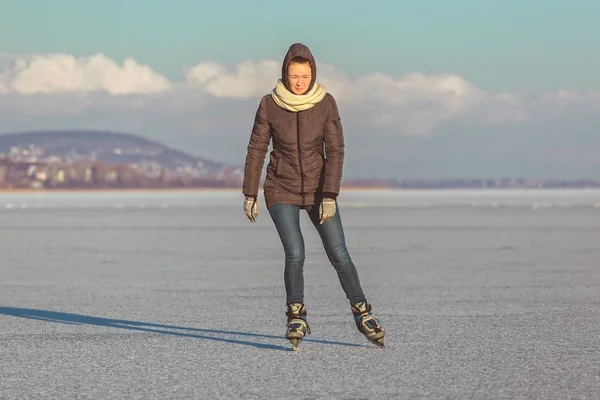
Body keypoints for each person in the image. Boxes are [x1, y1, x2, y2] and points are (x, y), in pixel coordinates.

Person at [241, 42, 385, 350]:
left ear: (312, 74)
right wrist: (250, 192)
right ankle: (296, 314)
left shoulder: (325, 103)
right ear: (285, 74)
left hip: (320, 190)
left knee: (339, 253)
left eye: (304, 75)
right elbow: (256, 148)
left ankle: (362, 312)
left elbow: (335, 150)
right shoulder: (269, 104)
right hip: (281, 188)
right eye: (294, 75)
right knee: (295, 252)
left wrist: (330, 194)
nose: (299, 81)